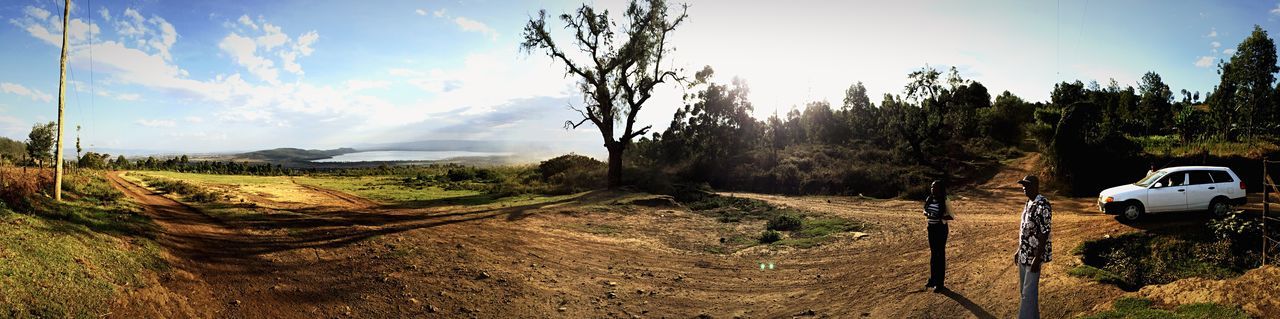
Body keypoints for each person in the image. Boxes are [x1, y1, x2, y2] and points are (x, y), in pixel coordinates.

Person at [1014, 175, 1052, 319]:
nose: (1024, 187)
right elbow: (1025, 230)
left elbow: (1044, 233)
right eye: (1023, 184)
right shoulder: (1028, 203)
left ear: (1035, 187)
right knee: (1025, 292)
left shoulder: (1043, 205)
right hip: (1024, 254)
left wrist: (1037, 258)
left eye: (1027, 185)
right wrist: (1019, 249)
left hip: (1033, 257)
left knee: (1028, 294)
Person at [923, 180, 953, 293]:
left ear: (940, 189)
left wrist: (940, 217)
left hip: (941, 229)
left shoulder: (945, 200)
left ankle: (940, 284)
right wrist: (927, 214)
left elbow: (951, 216)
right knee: (933, 254)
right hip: (931, 228)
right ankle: (933, 279)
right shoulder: (930, 198)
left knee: (940, 255)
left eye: (935, 187)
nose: (932, 189)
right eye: (931, 187)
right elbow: (924, 210)